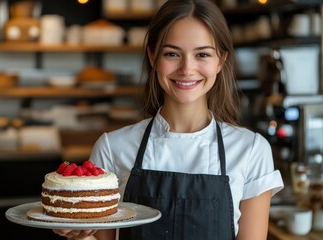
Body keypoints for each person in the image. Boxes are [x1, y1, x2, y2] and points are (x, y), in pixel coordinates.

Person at [53, 0, 284, 239]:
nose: (187, 68)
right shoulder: (112, 148)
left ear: (221, 61)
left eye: (202, 54)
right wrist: (78, 234)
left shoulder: (251, 150)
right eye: (172, 54)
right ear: (153, 57)